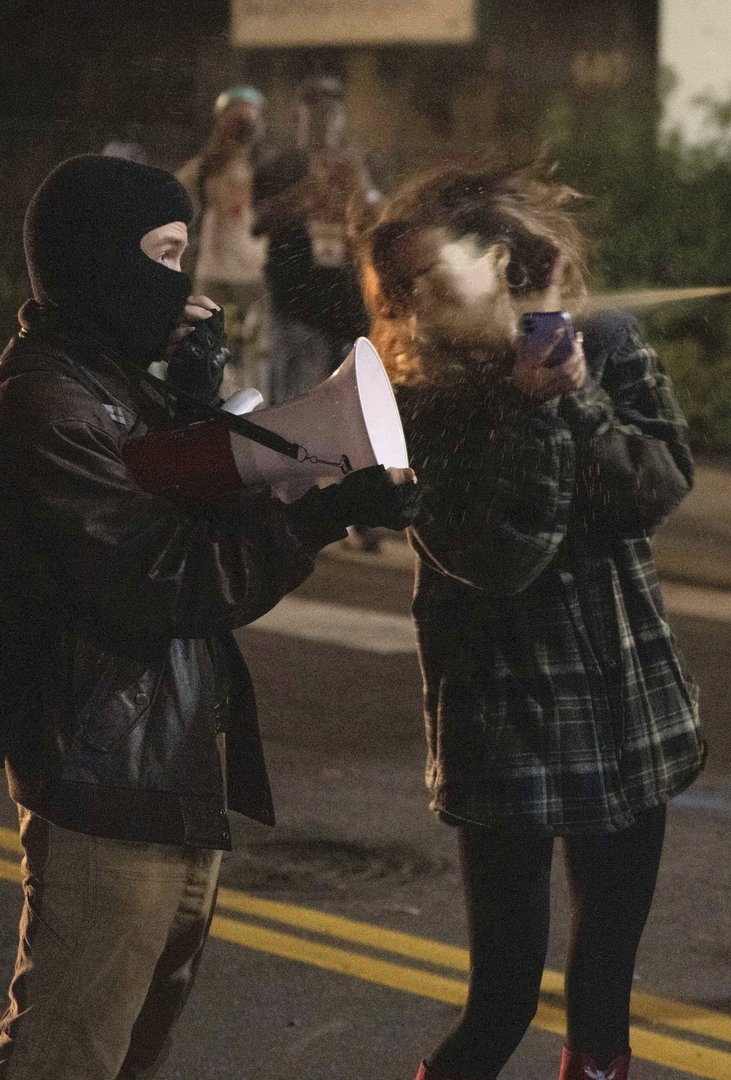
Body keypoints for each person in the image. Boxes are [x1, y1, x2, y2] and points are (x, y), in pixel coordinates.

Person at [0, 154, 417, 1080]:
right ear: (96, 263)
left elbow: (191, 505)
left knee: (133, 1054)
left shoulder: (112, 382)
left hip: (169, 771)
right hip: (104, 779)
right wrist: (318, 514)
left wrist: (195, 403)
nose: (180, 285)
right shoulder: (46, 400)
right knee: (68, 1056)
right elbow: (162, 579)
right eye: (164, 255)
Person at [359, 162, 704, 1080]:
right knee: (502, 1000)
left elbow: (659, 487)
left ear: (500, 256)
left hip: (627, 715)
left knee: (604, 995)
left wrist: (580, 396)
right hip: (504, 720)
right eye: (398, 287)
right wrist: (532, 404)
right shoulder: (419, 401)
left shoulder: (608, 344)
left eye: (429, 273)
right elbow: (501, 554)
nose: (412, 301)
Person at [253, 75, 377, 404]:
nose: (324, 121)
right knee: (298, 407)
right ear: (299, 117)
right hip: (298, 303)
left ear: (342, 117)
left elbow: (376, 219)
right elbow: (257, 222)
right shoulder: (280, 166)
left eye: (332, 112)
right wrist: (308, 189)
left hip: (348, 304)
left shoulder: (358, 162)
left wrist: (358, 184)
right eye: (315, 112)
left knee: (349, 408)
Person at [176, 85, 270, 396]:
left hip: (254, 273)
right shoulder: (207, 165)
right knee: (213, 343)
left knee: (256, 350)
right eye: (235, 120)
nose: (242, 128)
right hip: (214, 271)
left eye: (248, 121)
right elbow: (177, 190)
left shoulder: (266, 166)